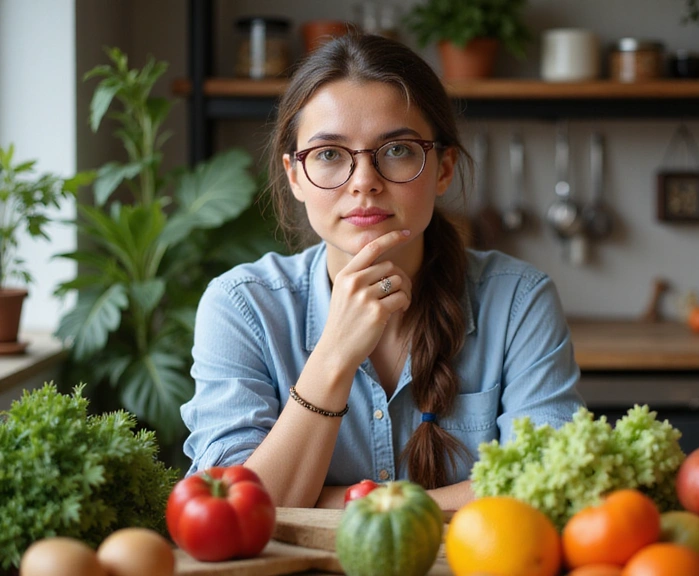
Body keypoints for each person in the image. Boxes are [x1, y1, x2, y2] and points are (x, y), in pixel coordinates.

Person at [181, 33, 583, 510]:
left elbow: (547, 484)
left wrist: (348, 505)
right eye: (329, 155)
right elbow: (230, 508)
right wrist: (334, 355)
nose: (364, 182)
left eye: (396, 150)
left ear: (442, 168)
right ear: (295, 177)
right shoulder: (242, 307)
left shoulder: (519, 300)